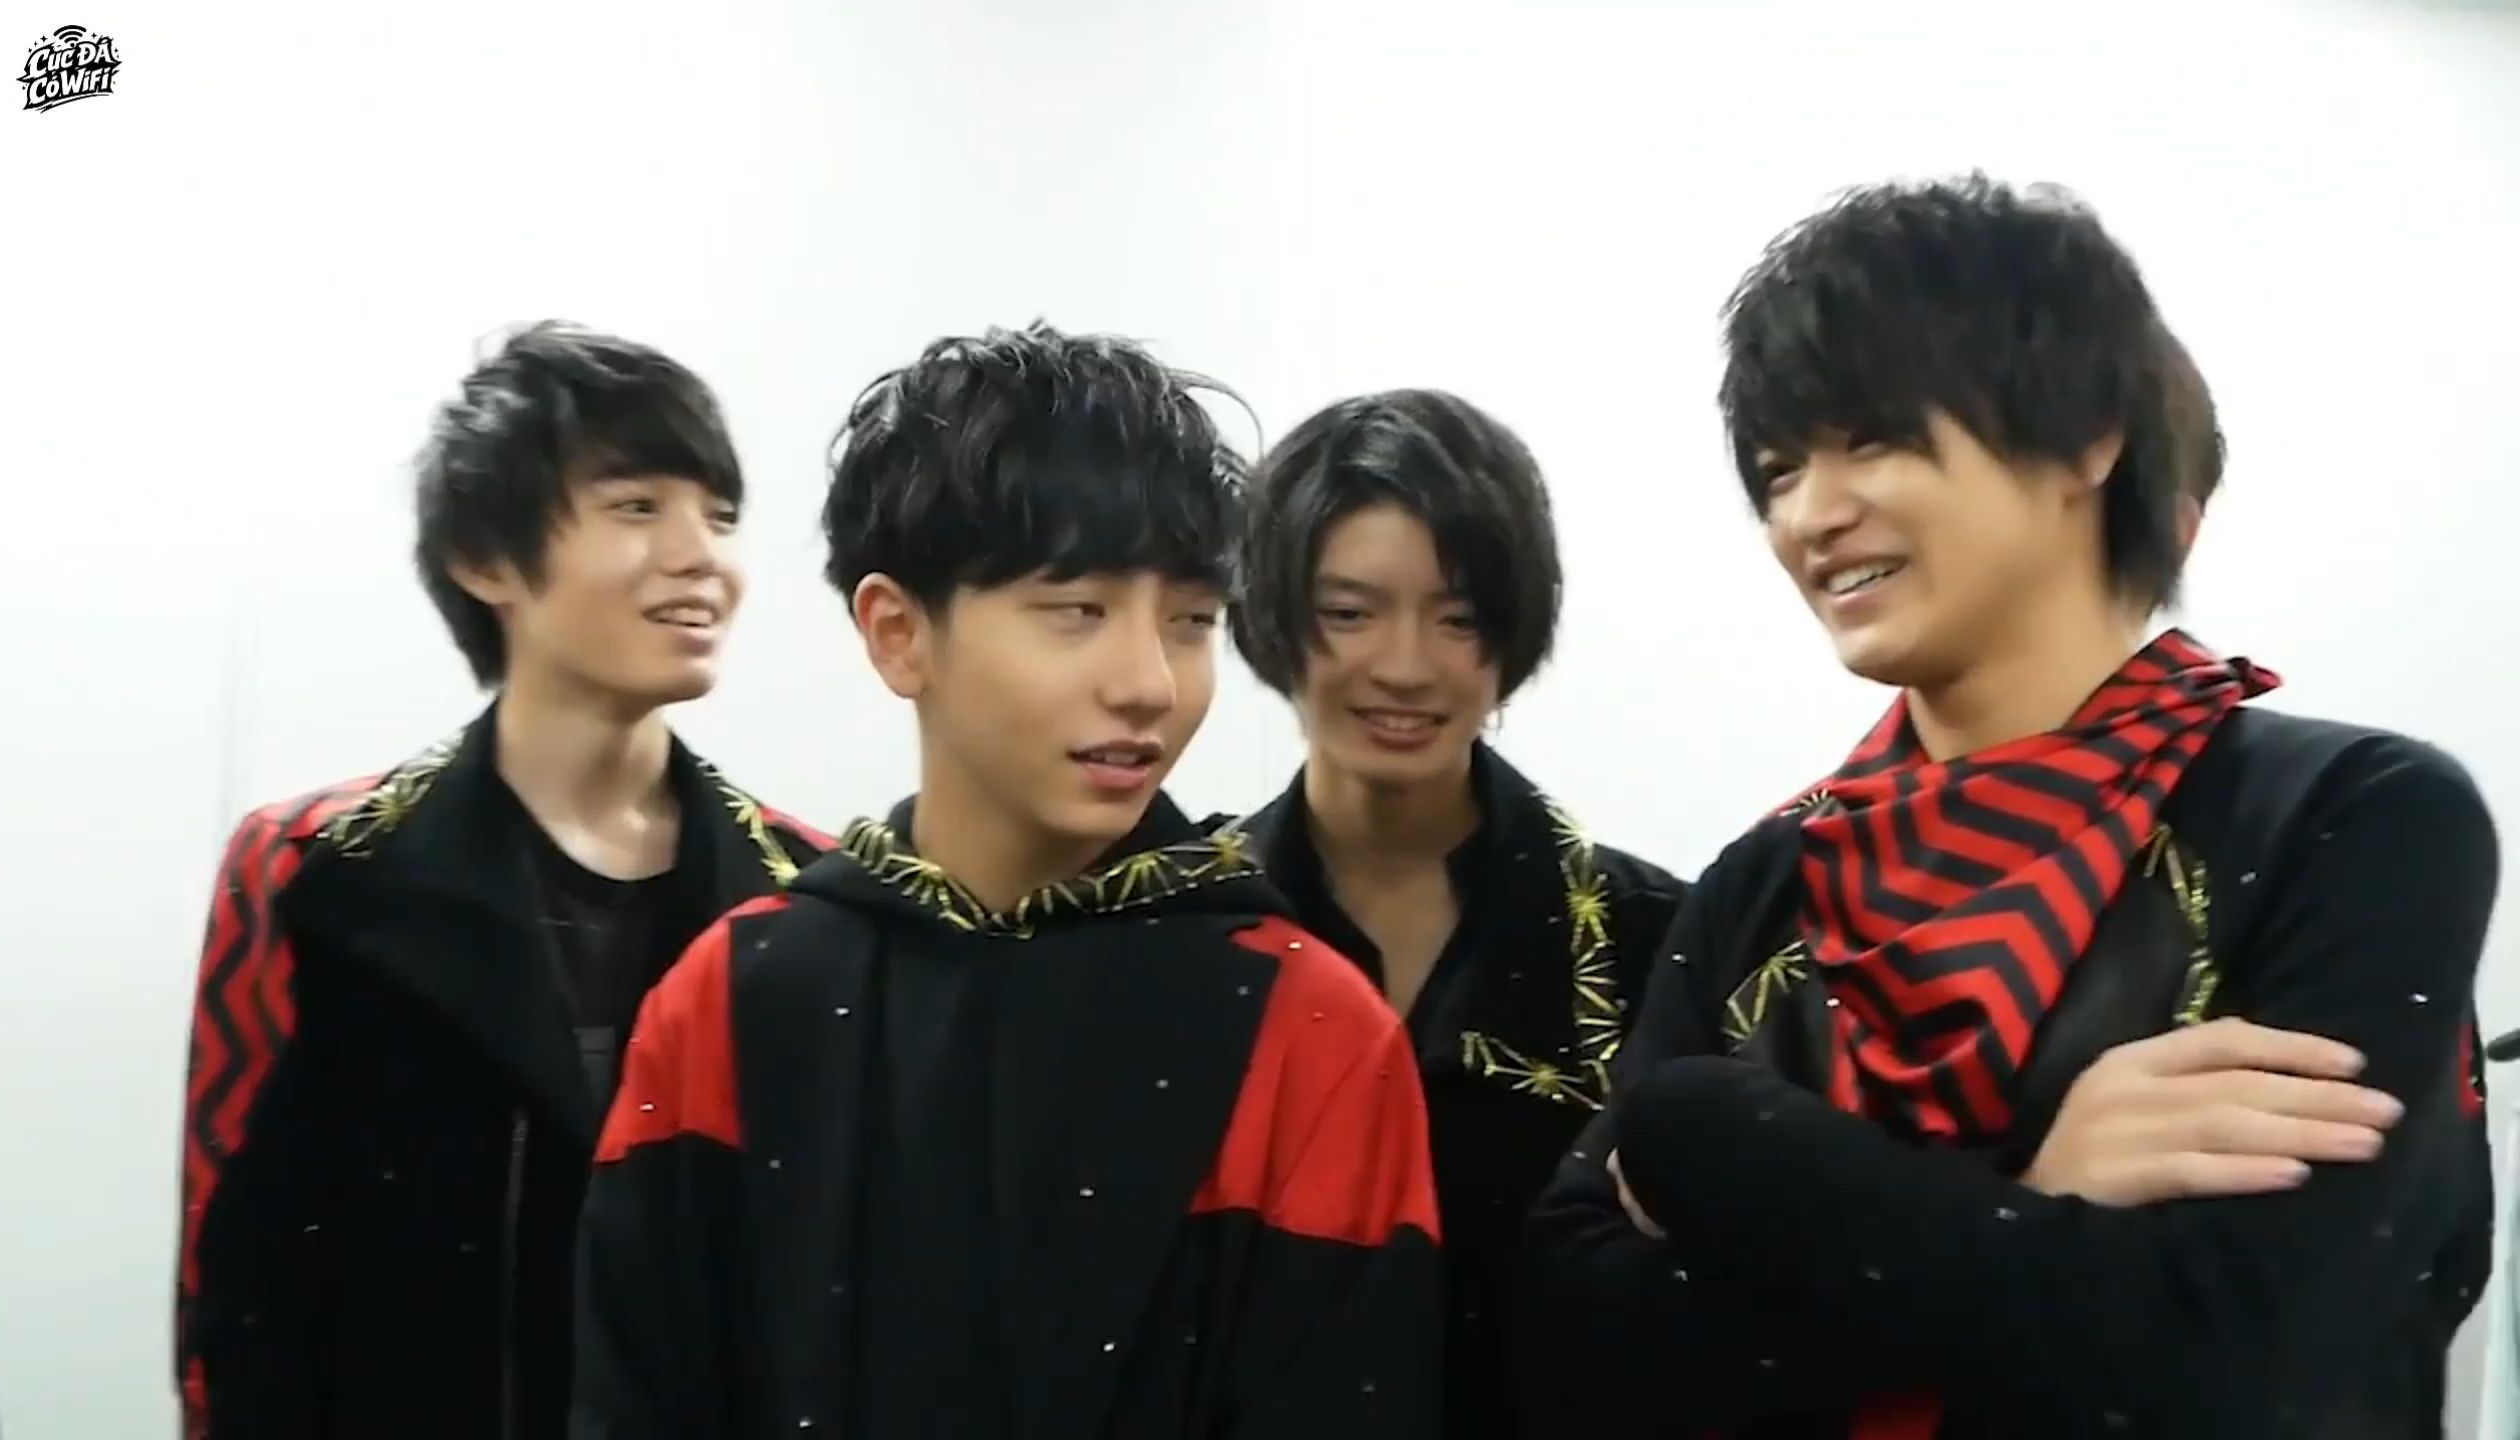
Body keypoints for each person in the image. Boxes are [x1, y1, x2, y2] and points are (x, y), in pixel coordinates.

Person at [1518, 175, 2498, 1437]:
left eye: (1872, 439)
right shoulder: (1764, 885)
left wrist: (1724, 1152)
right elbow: (1567, 1356)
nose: (1811, 513)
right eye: (1777, 468)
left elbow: (2242, 1354)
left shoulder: (2349, 820)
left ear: (2089, 435)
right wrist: (2029, 1186)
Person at [570, 322, 1443, 1439]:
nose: (1150, 682)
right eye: (1077, 610)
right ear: (898, 634)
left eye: (1190, 621)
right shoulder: (730, 1001)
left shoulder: (1308, 1032)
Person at [174, 322, 831, 1440]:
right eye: (637, 507)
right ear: (486, 559)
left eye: (719, 517)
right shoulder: (310, 866)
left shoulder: (803, 897)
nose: (700, 558)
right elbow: (234, 1296)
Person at [1224, 389, 1684, 1437]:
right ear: (1275, 621)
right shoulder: (1190, 932)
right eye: (1350, 613)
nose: (1405, 665)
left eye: (1459, 618)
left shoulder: (1652, 941)